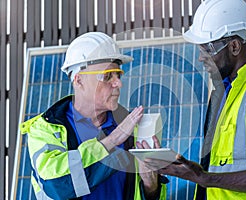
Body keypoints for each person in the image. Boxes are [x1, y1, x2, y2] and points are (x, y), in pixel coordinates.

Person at [144, 0, 246, 199]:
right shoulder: (220, 95)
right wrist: (196, 174)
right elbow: (216, 173)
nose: (201, 58)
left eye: (207, 49)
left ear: (234, 46)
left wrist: (205, 177)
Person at [20, 32, 167, 200]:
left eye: (118, 75)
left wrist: (151, 186)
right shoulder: (46, 129)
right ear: (79, 80)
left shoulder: (134, 129)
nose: (118, 83)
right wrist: (112, 140)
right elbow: (58, 184)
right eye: (107, 76)